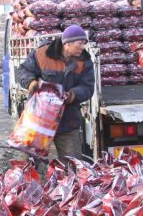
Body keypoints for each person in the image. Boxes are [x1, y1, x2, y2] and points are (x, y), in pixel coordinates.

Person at [17, 25, 95, 161]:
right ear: (67, 43)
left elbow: (87, 87)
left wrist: (72, 95)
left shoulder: (85, 62)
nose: (83, 47)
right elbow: (23, 71)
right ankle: (25, 181)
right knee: (26, 163)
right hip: (39, 118)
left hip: (67, 120)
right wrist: (31, 83)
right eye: (80, 43)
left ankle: (70, 182)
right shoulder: (42, 53)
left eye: (84, 44)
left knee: (73, 165)